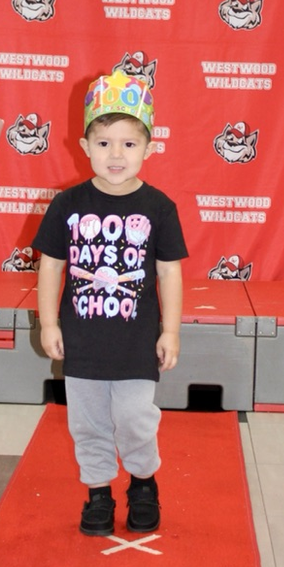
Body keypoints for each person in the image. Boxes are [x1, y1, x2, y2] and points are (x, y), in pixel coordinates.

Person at [33, 71, 187, 537]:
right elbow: (51, 267)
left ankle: (143, 482)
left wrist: (171, 330)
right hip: (82, 341)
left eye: (128, 144)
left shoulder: (159, 207)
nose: (115, 155)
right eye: (104, 143)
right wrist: (47, 324)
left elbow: (169, 272)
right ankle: (98, 491)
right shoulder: (67, 205)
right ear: (84, 146)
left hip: (136, 342)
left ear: (149, 148)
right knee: (89, 422)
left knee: (136, 418)